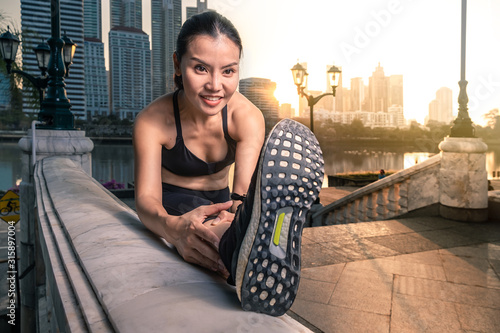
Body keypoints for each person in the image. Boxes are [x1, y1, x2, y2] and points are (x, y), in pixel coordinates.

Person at [134, 11, 324, 316]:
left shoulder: (247, 117)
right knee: (205, 230)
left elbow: (241, 194)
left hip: (223, 200)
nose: (214, 85)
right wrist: (173, 229)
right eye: (200, 68)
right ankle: (251, 252)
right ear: (177, 65)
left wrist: (237, 214)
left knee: (232, 220)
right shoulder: (152, 121)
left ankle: (252, 245)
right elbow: (145, 200)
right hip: (172, 200)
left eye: (228, 71)